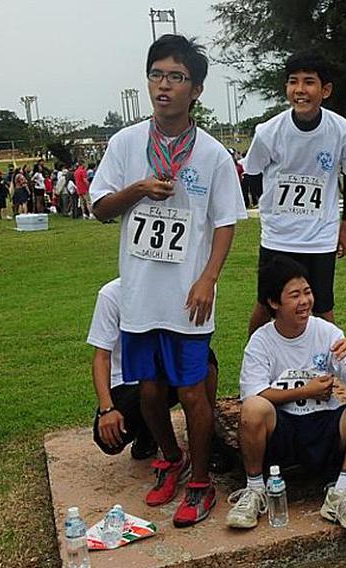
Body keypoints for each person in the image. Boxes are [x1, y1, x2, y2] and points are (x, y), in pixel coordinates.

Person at [90, 34, 247, 527]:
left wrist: (209, 278)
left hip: (189, 298)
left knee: (194, 392)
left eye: (176, 77)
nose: (164, 86)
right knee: (151, 392)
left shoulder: (214, 156)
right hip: (139, 294)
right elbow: (98, 208)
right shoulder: (125, 144)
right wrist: (136, 189)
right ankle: (170, 457)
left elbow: (225, 222)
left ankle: (200, 482)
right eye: (156, 75)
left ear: (195, 89)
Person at [226, 256, 346, 531]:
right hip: (285, 429)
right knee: (253, 409)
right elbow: (254, 393)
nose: (305, 301)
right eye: (294, 295)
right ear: (274, 302)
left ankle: (342, 491)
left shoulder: (326, 331)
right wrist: (304, 391)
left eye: (307, 292)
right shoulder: (262, 340)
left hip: (327, 424)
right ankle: (255, 489)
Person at [242, 51, 346, 337]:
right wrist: (270, 209)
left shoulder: (345, 132)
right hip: (278, 236)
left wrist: (345, 226)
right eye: (293, 82)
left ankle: (332, 373)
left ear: (325, 90)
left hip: (319, 238)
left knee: (322, 308)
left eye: (309, 82)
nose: (300, 90)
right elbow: (252, 172)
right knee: (266, 306)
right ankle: (253, 369)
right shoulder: (269, 131)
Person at [87, 278, 223, 462]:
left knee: (205, 359)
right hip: (128, 380)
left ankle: (206, 433)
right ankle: (150, 432)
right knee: (110, 440)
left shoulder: (185, 286)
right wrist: (106, 409)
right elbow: (101, 357)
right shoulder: (112, 294)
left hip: (171, 370)